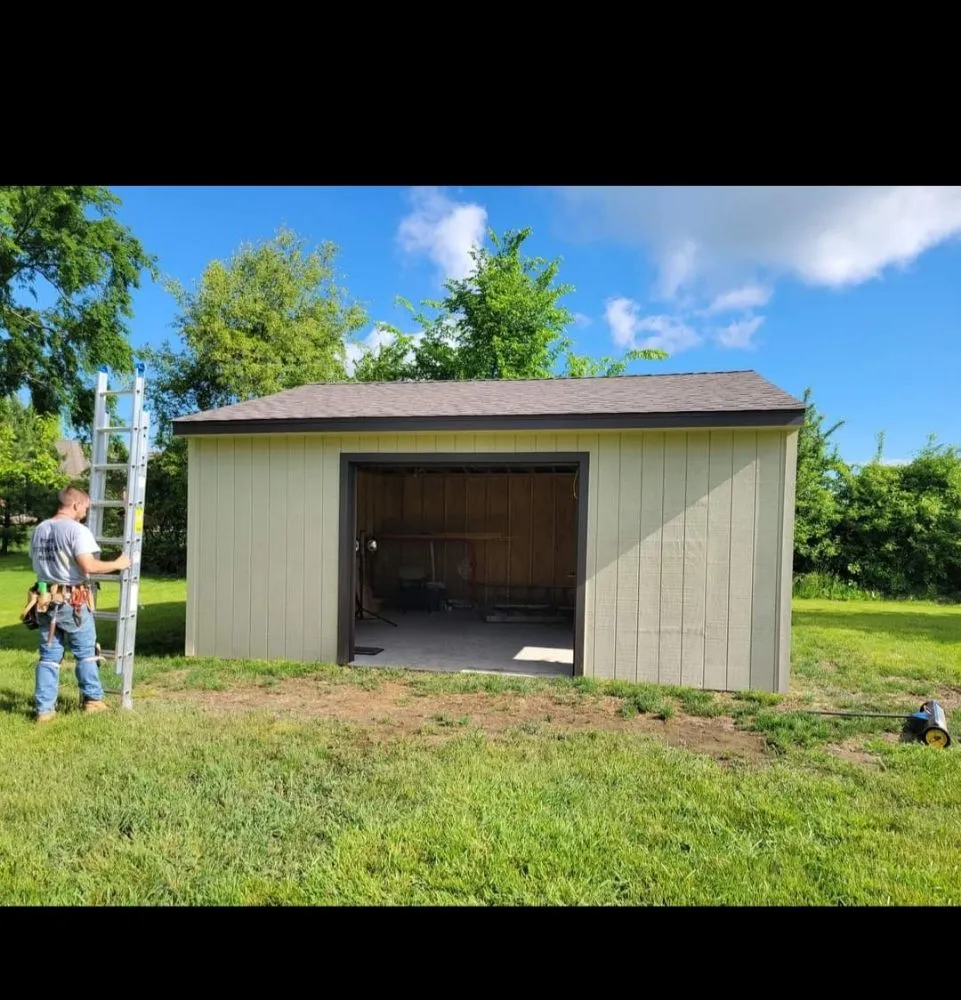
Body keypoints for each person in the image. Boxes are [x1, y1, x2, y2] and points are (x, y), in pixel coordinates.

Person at [30, 486, 130, 723]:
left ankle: (44, 710)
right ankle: (93, 701)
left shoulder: (40, 529)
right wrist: (119, 563)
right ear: (75, 505)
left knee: (49, 656)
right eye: (85, 508)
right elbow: (88, 566)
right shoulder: (77, 530)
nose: (85, 513)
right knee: (86, 653)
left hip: (45, 600)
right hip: (71, 600)